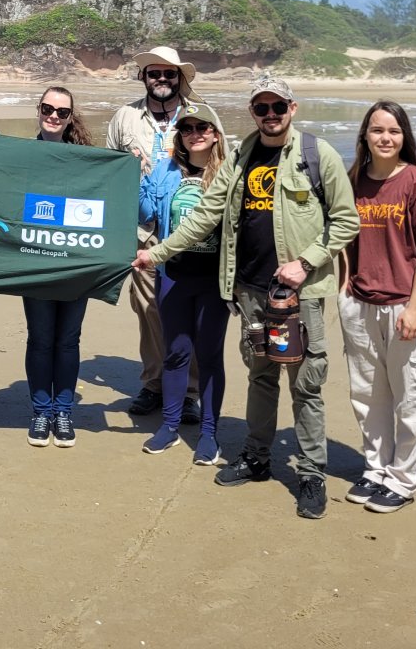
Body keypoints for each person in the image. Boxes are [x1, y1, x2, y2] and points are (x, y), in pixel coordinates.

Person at [135, 77, 359, 520]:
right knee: (260, 377)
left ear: (292, 108)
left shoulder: (317, 154)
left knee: (305, 385)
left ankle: (311, 473)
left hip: (300, 294)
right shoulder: (241, 157)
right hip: (251, 293)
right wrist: (156, 254)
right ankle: (257, 457)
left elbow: (346, 220)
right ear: (252, 112)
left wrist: (306, 261)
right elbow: (204, 216)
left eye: (278, 107)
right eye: (262, 108)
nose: (270, 115)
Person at [338, 101, 416, 513]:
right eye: (377, 130)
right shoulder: (353, 180)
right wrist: (345, 282)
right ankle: (375, 469)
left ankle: (403, 479)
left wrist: (415, 307)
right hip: (360, 303)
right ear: (364, 135)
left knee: (411, 397)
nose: (385, 138)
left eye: (394, 131)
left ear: (405, 137)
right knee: (368, 395)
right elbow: (344, 235)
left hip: (406, 305)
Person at [106, 46, 200, 420]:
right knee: (148, 310)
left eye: (169, 74)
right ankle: (154, 384)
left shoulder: (199, 116)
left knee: (186, 312)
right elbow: (107, 173)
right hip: (142, 232)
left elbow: (221, 167)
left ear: (181, 78)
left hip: (191, 233)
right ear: (143, 77)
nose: (161, 80)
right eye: (153, 73)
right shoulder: (124, 118)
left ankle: (189, 392)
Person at [137, 100, 231, 463]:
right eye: (187, 129)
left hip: (213, 279)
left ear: (215, 135)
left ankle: (209, 432)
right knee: (175, 353)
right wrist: (141, 177)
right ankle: (170, 427)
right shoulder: (165, 170)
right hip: (172, 275)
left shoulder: (229, 173)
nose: (195, 135)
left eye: (202, 128)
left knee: (208, 355)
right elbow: (146, 215)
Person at [22, 85, 97, 449]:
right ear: (38, 109)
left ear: (70, 118)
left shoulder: (86, 159)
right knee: (40, 339)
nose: (53, 115)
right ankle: (40, 410)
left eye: (62, 112)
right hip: (34, 263)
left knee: (67, 340)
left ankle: (63, 411)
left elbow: (107, 198)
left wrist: (131, 165)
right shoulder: (19, 154)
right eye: (48, 108)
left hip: (73, 264)